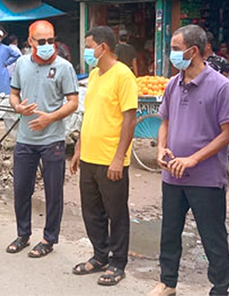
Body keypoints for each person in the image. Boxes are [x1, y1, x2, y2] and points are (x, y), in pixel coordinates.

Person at [148, 25, 229, 296]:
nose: (172, 55)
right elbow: (165, 120)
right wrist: (161, 148)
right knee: (170, 231)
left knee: (212, 236)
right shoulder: (174, 83)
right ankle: (167, 282)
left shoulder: (220, 86)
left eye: (175, 49)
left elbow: (227, 134)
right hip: (172, 174)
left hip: (206, 178)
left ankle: (220, 289)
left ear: (193, 51)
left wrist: (193, 159)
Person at [70, 26, 138, 286]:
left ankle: (118, 263)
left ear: (103, 47)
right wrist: (78, 149)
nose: (87, 51)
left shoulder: (123, 76)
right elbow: (89, 115)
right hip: (89, 156)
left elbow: (130, 119)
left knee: (116, 213)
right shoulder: (96, 74)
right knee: (92, 211)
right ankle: (100, 256)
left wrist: (119, 157)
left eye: (89, 46)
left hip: (111, 159)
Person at [7, 20, 78, 257]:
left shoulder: (64, 67)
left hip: (52, 139)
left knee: (53, 192)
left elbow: (73, 102)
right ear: (30, 41)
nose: (48, 45)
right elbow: (14, 95)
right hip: (25, 139)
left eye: (51, 40)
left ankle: (49, 239)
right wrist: (18, 108)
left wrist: (51, 118)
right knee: (21, 189)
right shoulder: (21, 65)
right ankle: (23, 234)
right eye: (42, 41)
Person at [0, 29, 20, 96]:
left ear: (1, 38)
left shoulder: (6, 48)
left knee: (5, 93)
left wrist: (7, 63)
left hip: (3, 72)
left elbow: (17, 55)